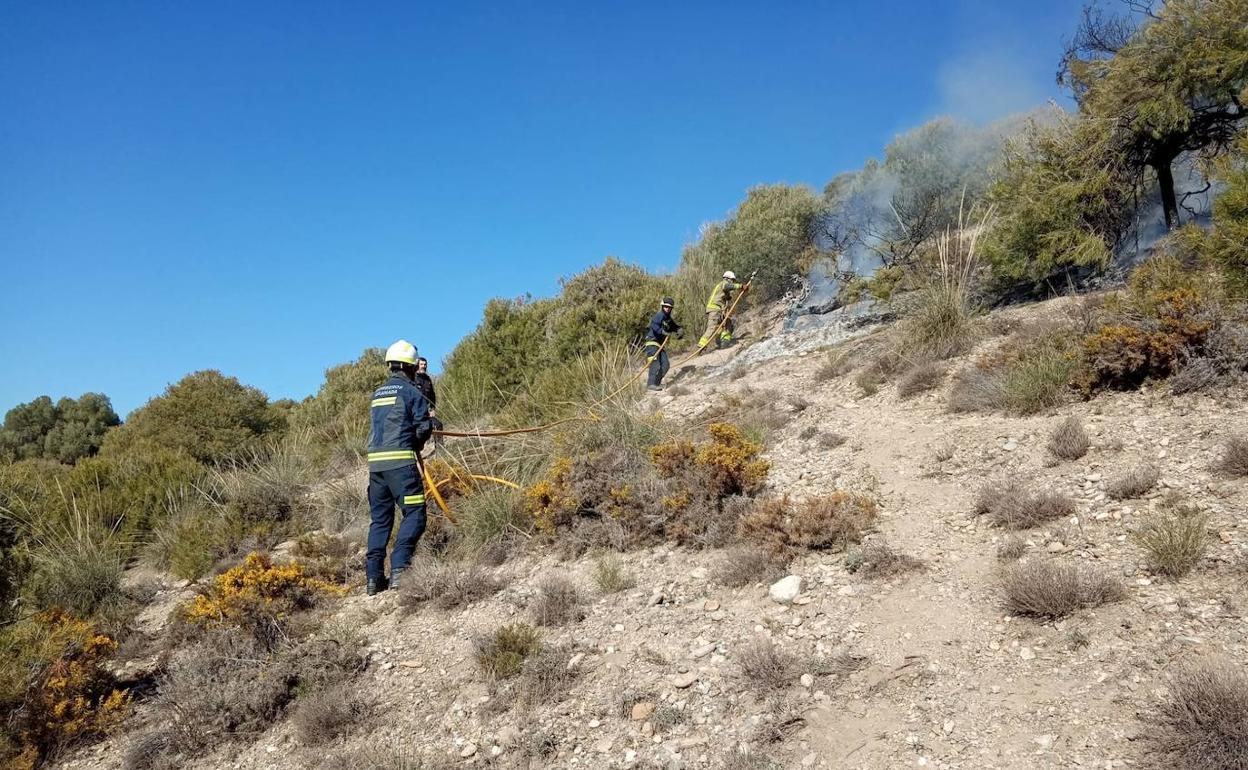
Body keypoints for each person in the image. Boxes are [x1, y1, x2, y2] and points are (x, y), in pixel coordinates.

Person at [364, 340, 433, 595]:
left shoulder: (377, 394)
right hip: (401, 466)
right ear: (411, 367)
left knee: (380, 521)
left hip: (376, 468)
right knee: (415, 513)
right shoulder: (411, 392)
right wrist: (423, 434)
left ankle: (373, 578)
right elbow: (421, 427)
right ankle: (399, 570)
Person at [644, 297, 682, 391]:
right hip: (652, 343)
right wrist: (662, 332)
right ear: (662, 306)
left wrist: (679, 330)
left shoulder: (668, 319)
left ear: (671, 308)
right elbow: (654, 325)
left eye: (669, 307)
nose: (667, 309)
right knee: (655, 363)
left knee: (665, 365)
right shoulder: (659, 315)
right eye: (665, 307)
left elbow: (674, 327)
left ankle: (656, 383)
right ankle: (651, 384)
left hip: (660, 345)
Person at [699, 270, 741, 349]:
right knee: (711, 328)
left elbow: (723, 294)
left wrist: (727, 297)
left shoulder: (722, 286)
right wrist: (740, 286)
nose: (732, 282)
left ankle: (724, 343)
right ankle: (701, 346)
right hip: (715, 309)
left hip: (719, 310)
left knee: (728, 323)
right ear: (728, 279)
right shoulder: (724, 283)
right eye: (732, 280)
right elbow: (728, 287)